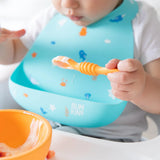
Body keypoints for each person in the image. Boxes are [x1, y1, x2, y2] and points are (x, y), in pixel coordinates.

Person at [1, 0, 160, 142]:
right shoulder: (53, 14)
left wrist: (140, 88)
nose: (67, 4)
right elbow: (14, 51)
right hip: (44, 127)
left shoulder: (142, 20)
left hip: (108, 140)